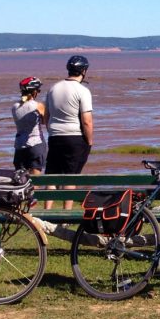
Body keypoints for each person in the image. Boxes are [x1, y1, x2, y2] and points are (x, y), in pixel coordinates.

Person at [44, 55, 93, 210]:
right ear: (83, 71)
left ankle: (47, 211)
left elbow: (46, 116)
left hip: (55, 136)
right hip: (75, 137)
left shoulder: (53, 88)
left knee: (52, 175)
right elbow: (87, 121)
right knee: (71, 176)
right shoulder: (82, 91)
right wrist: (89, 140)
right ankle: (67, 213)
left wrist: (52, 130)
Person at [11, 76, 47, 174]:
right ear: (34, 92)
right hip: (36, 144)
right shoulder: (38, 106)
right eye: (38, 90)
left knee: (21, 179)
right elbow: (45, 122)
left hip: (19, 145)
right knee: (35, 180)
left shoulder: (14, 107)